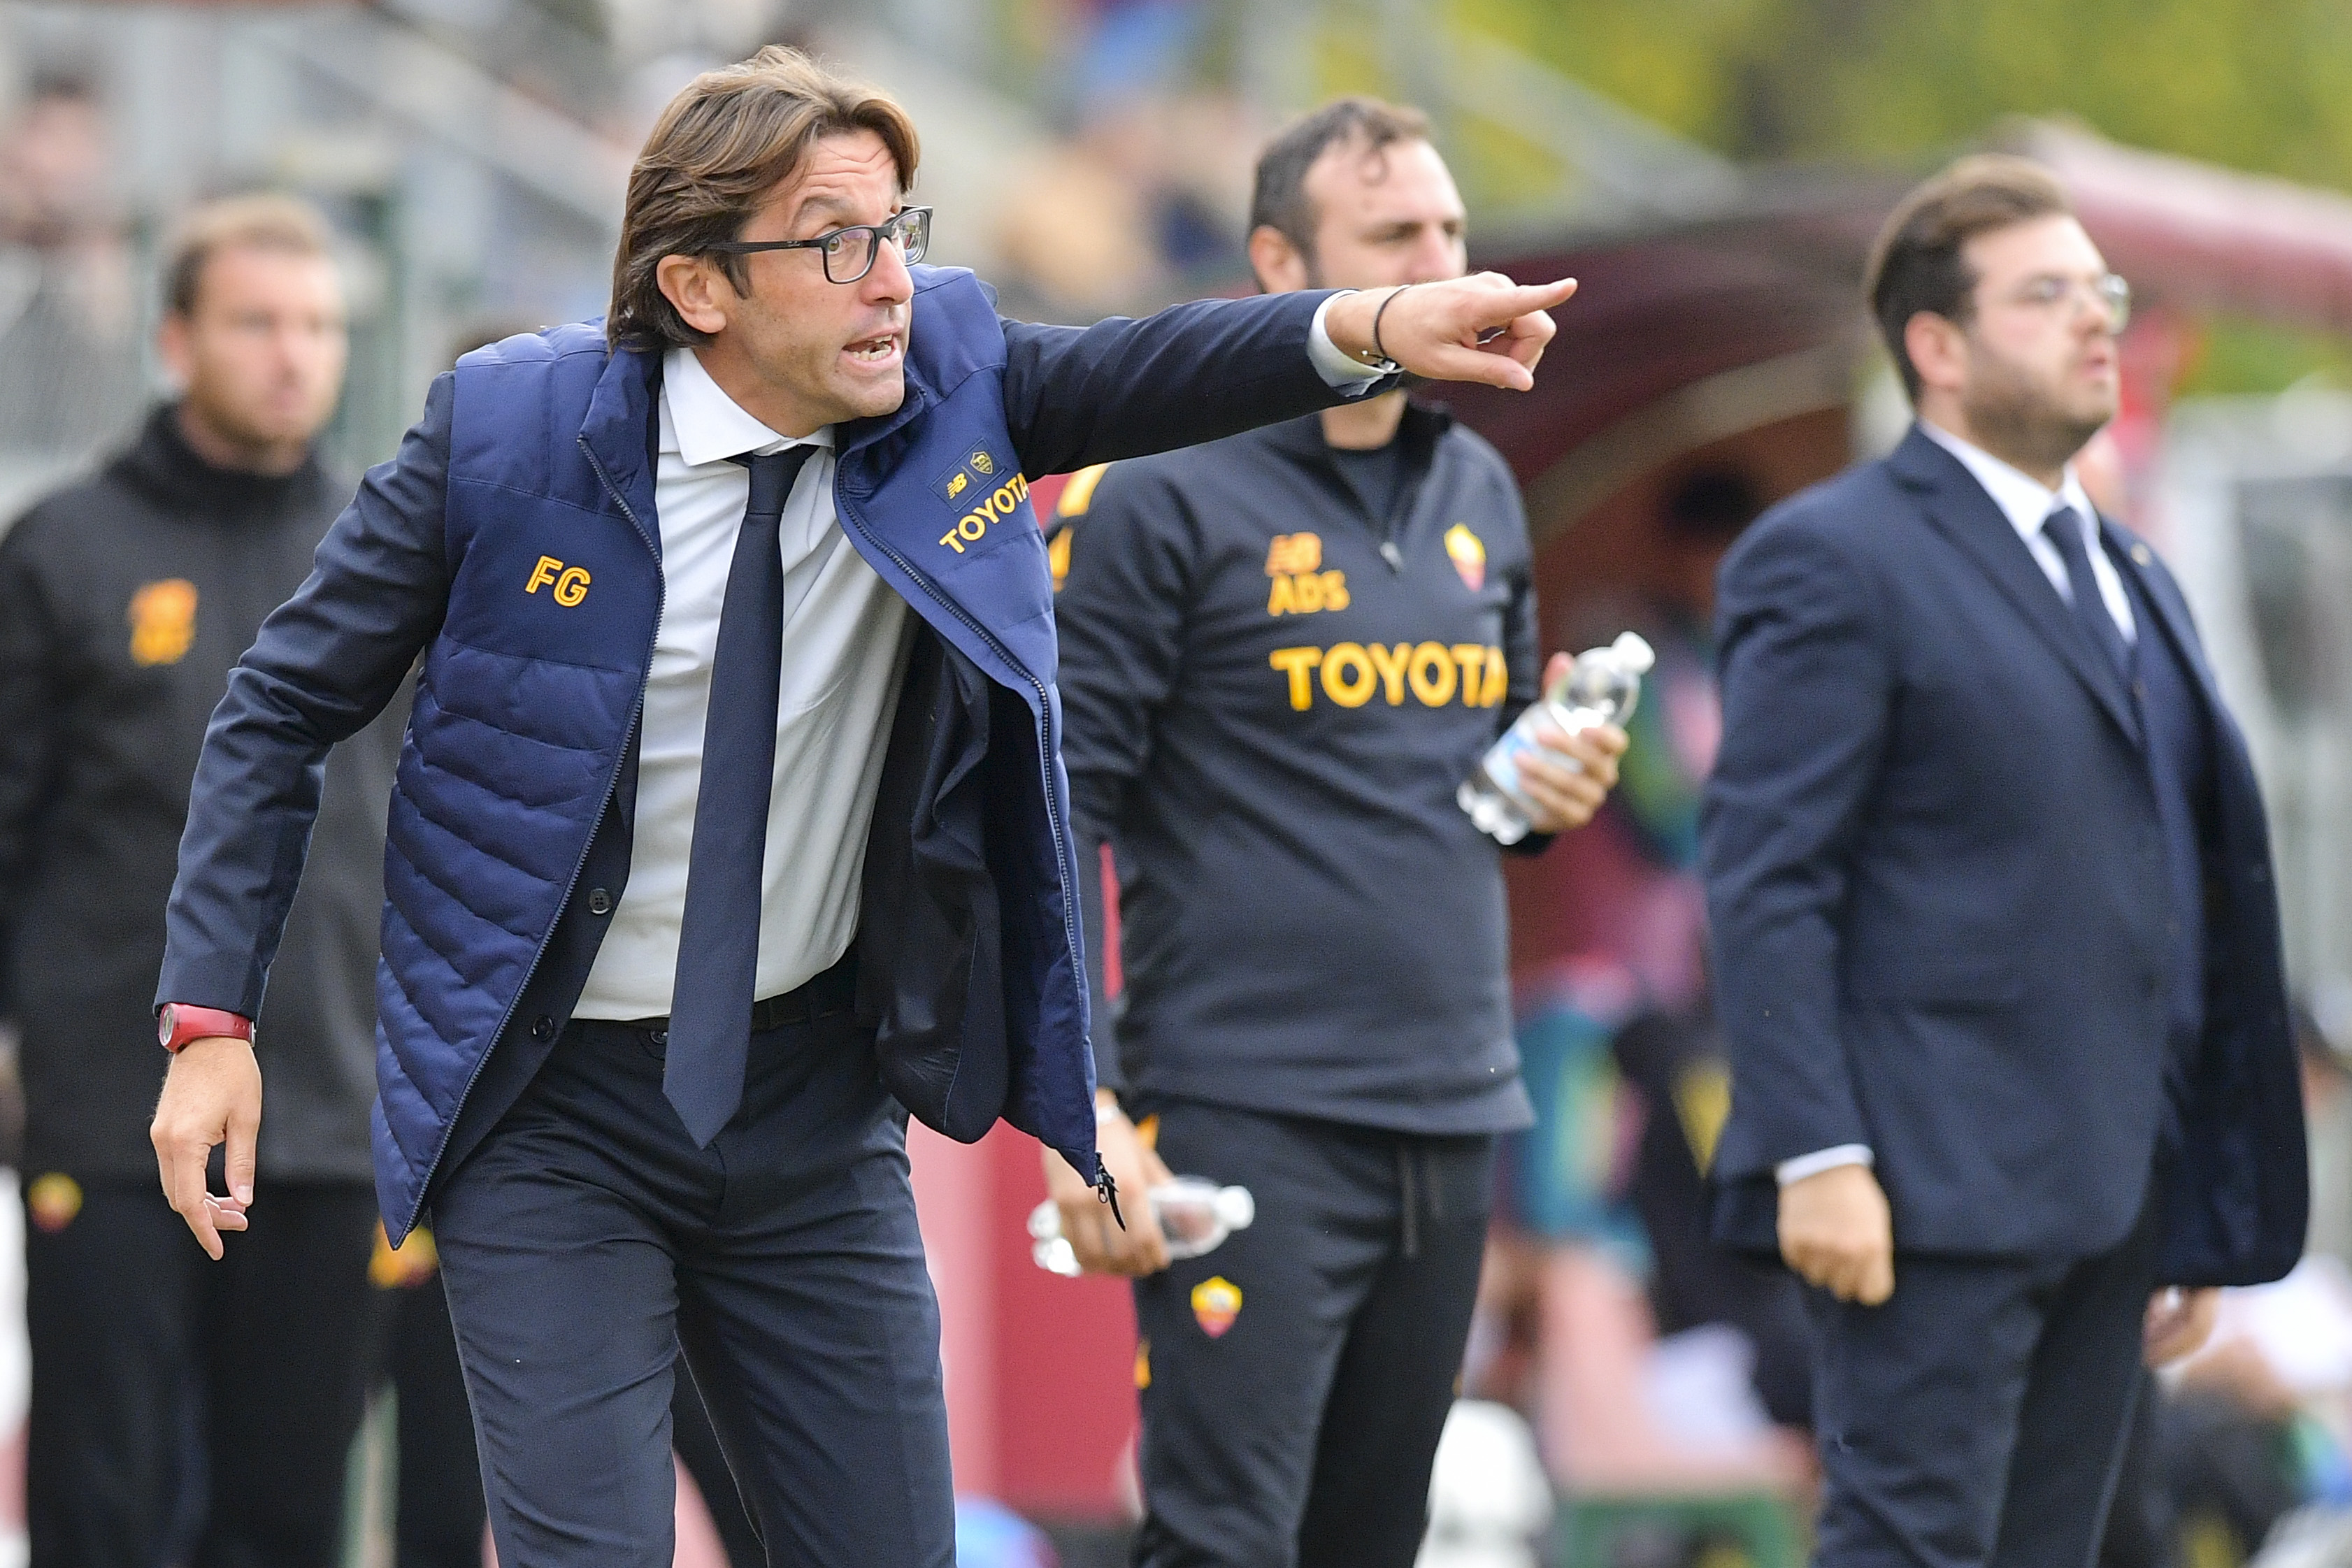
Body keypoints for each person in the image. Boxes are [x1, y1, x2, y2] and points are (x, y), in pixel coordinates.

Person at [145, 48, 1578, 1568]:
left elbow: (1154, 365)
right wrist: (209, 1024)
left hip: (813, 1108)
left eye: (900, 229)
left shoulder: (951, 376)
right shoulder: (504, 435)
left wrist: (1371, 327)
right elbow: (278, 704)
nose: (890, 278)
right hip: (547, 1112)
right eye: (837, 243)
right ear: (699, 289)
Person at [1702, 154, 2309, 1568]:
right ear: (1936, 345)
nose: (2095, 318)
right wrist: (1817, 1151)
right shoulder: (1831, 557)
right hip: (1917, 1188)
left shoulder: (2127, 570)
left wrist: (2189, 1201)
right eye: (2044, 296)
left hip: (2113, 1195)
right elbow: (1765, 874)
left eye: (2099, 290)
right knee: (1910, 1549)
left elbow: (2161, 886)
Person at [1044, 96, 1626, 1567]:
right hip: (1244, 1112)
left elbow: (1485, 782)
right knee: (1225, 1540)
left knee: (1371, 1543)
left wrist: (1550, 789)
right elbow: (1050, 815)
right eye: (1391, 240)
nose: (1440, 265)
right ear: (1276, 261)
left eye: (1446, 231)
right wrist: (1079, 1111)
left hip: (1451, 1110)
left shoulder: (1477, 483)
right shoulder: (1156, 484)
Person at [0, 194, 389, 1567]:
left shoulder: (390, 556)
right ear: (175, 337)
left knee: (290, 1515)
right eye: (257, 322)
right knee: (107, 1505)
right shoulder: (59, 550)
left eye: (321, 326)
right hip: (109, 1123)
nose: (295, 355)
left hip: (335, 1120)